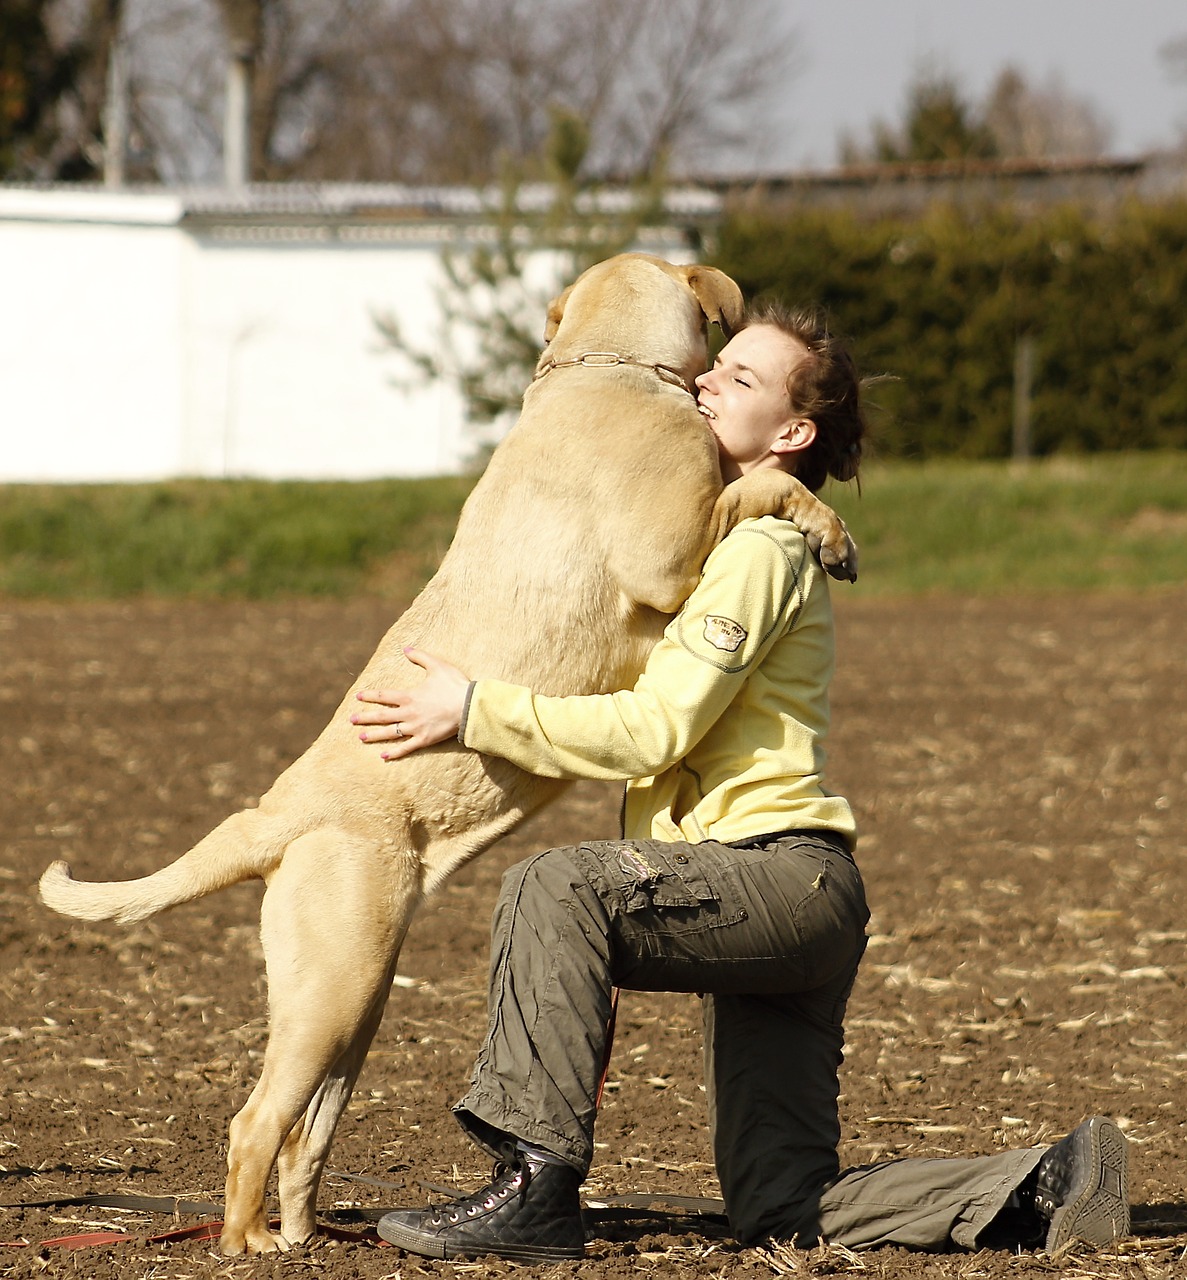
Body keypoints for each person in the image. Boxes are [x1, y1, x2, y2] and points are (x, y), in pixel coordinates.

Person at [349, 300, 1130, 1263]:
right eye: (713, 368)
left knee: (556, 890)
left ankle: (531, 1187)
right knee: (784, 1206)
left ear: (793, 433)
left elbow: (654, 730)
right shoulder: (728, 536)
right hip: (783, 901)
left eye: (741, 380)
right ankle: (1052, 1179)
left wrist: (475, 709)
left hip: (774, 878)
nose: (705, 382)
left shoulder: (759, 552)